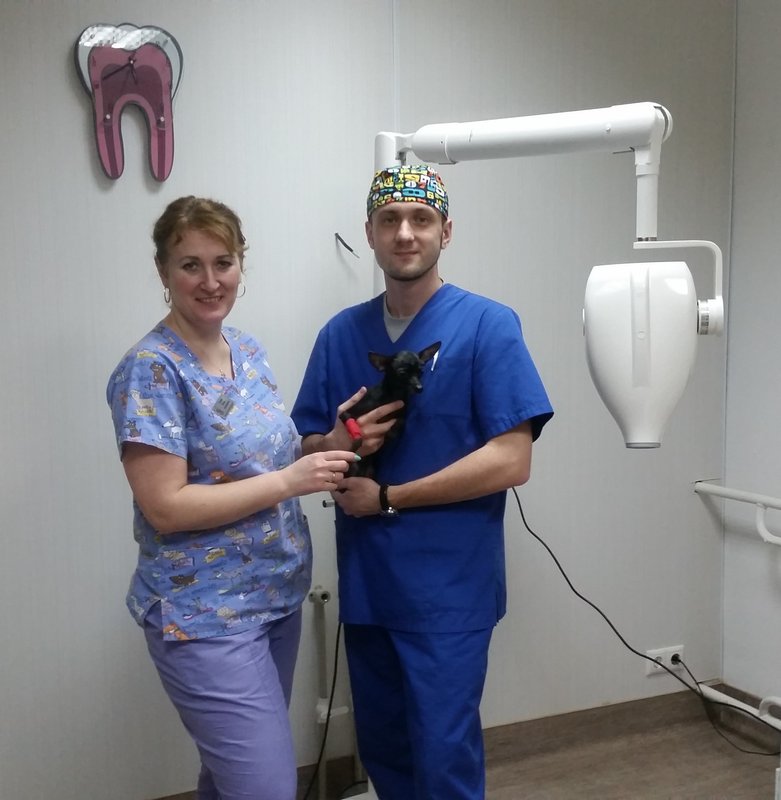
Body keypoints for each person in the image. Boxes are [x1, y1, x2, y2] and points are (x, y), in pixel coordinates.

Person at [291, 165, 554, 800]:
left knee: (442, 755)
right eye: (390, 220)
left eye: (421, 219)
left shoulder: (487, 326)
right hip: (369, 585)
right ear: (370, 233)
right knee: (386, 752)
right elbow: (305, 445)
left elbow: (511, 460)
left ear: (446, 231)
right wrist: (338, 443)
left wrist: (387, 497)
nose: (405, 233)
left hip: (448, 591)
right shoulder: (339, 335)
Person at [106, 196, 359, 800]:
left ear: (241, 265)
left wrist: (333, 441)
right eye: (190, 265)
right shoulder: (151, 370)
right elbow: (166, 507)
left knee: (231, 782)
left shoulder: (246, 350)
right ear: (163, 271)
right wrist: (289, 483)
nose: (210, 280)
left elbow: (272, 457)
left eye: (223, 262)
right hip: (205, 616)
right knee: (265, 787)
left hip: (275, 598)